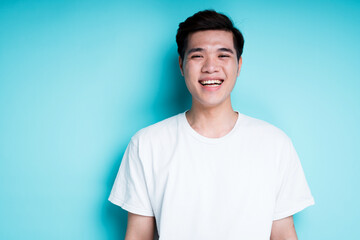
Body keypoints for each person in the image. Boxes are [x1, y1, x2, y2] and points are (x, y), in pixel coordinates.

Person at [109, 9, 314, 240]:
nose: (210, 67)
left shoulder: (275, 143)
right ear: (181, 64)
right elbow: (137, 235)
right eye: (198, 55)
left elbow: (284, 234)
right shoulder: (146, 144)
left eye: (223, 55)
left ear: (239, 65)